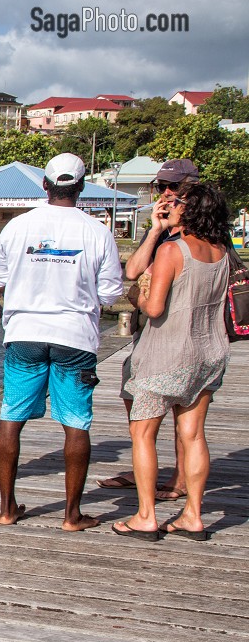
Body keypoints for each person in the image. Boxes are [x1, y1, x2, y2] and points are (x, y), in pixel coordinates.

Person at [0, 153, 125, 530]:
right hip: (75, 336)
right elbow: (111, 293)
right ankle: (72, 515)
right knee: (76, 423)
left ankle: (6, 508)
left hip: (25, 334)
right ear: (80, 187)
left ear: (44, 185)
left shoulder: (17, 227)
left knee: (11, 418)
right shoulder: (97, 231)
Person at [113, 182, 231, 541]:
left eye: (177, 202)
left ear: (190, 210)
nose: (170, 204)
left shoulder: (173, 251)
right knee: (193, 435)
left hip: (166, 355)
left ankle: (146, 516)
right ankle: (193, 515)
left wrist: (136, 295)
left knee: (142, 434)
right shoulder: (221, 250)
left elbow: (155, 307)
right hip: (209, 353)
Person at [98, 158, 201, 499]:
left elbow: (144, 292)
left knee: (184, 417)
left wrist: (138, 298)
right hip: (150, 335)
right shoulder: (160, 231)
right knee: (134, 398)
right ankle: (148, 467)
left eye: (176, 187)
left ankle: (179, 481)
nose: (168, 194)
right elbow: (133, 271)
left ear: (192, 190)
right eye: (162, 187)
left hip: (183, 334)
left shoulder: (204, 231)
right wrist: (156, 229)